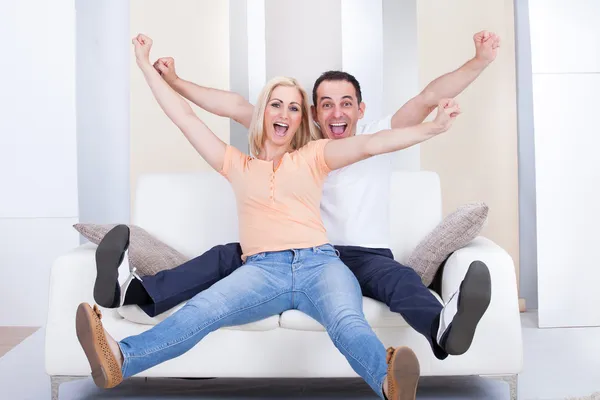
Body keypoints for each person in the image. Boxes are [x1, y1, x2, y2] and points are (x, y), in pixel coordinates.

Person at [76, 33, 461, 399]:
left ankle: (390, 384)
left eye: (293, 107)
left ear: (299, 120)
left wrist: (435, 128)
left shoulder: (315, 155)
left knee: (347, 322)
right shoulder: (235, 164)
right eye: (276, 104)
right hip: (262, 270)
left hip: (321, 264)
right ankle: (120, 360)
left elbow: (374, 143)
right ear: (263, 113)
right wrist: (146, 66)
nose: (285, 112)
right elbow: (186, 118)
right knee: (201, 311)